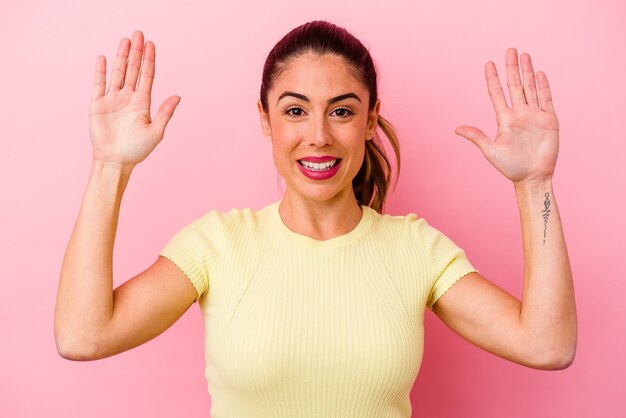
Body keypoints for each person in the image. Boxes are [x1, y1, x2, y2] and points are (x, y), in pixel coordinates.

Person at [55, 21, 577, 417]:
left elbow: (547, 345)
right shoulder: (218, 244)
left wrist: (535, 186)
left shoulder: (415, 249)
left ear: (371, 119)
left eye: (342, 111)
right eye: (295, 110)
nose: (319, 136)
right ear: (266, 120)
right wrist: (109, 166)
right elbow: (84, 337)